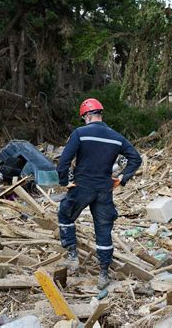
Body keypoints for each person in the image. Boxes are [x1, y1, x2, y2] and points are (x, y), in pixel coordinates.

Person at [56, 98, 142, 289]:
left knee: (65, 214)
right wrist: (122, 178)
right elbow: (135, 158)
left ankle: (72, 256)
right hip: (104, 189)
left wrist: (64, 181)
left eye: (83, 117)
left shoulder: (80, 133)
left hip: (82, 186)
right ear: (100, 114)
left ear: (86, 115)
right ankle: (103, 273)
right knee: (103, 230)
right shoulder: (116, 137)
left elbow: (64, 161)